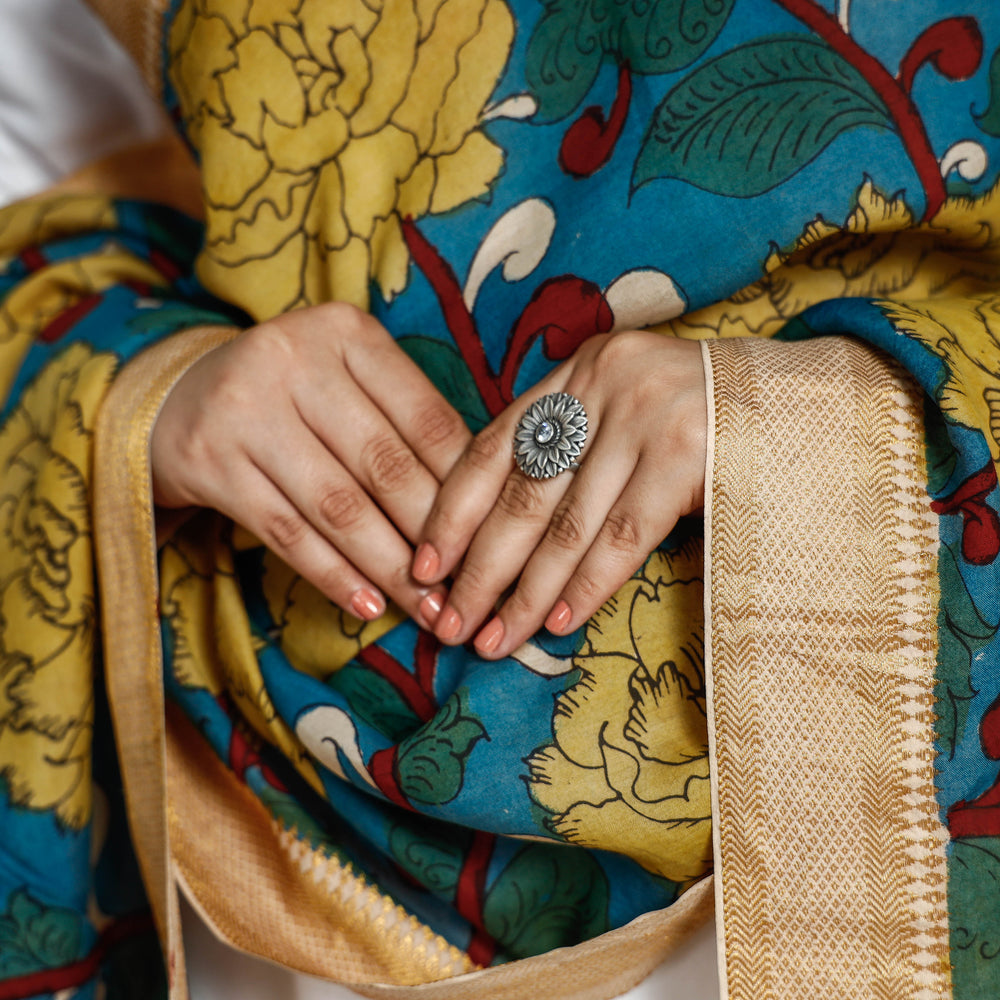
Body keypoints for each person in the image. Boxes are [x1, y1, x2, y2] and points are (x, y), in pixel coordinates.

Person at [1, 1, 998, 998]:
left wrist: (815, 414)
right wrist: (145, 384)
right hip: (230, 813)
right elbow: (46, 150)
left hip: (826, 787)